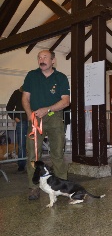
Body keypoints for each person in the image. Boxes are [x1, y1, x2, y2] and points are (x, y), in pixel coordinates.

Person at [22, 50, 70, 200]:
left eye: (45, 57)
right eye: (39, 57)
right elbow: (25, 98)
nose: (41, 60)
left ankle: (62, 186)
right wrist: (31, 115)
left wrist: (47, 109)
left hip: (54, 117)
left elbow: (66, 101)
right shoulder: (31, 75)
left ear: (53, 60)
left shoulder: (61, 78)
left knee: (57, 154)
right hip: (35, 117)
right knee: (33, 154)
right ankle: (34, 187)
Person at [6, 86, 28, 173]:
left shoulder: (35, 92)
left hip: (33, 120)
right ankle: (21, 165)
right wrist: (15, 117)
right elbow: (9, 107)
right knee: (21, 143)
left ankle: (35, 165)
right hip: (22, 120)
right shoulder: (17, 93)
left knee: (34, 144)